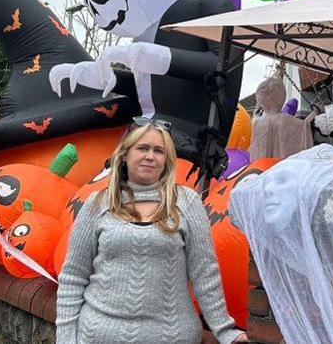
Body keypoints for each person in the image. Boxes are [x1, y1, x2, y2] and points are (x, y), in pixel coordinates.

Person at [56, 122, 248, 343]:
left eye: (159, 151)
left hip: (172, 337)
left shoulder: (186, 202)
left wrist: (224, 330)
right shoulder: (98, 203)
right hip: (100, 335)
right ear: (125, 154)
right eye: (142, 148)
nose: (150, 156)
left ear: (167, 159)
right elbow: (73, 278)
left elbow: (205, 274)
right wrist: (66, 339)